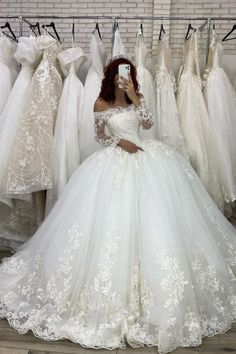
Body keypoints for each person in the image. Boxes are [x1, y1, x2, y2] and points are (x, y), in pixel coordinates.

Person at [0, 57, 236, 354]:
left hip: (149, 158)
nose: (122, 78)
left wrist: (136, 98)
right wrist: (118, 143)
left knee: (158, 223)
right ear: (111, 77)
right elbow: (100, 137)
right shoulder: (100, 103)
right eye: (118, 74)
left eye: (127, 74)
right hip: (114, 162)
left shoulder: (138, 98)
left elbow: (148, 123)